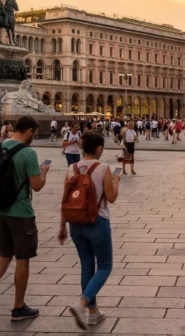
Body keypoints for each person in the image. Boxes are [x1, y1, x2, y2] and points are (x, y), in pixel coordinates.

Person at [0, 116, 50, 323]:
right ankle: (18, 307)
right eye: (34, 133)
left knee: (4, 254)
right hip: (20, 212)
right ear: (29, 131)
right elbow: (36, 185)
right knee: (22, 258)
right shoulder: (27, 153)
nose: (34, 137)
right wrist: (43, 173)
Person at [59, 131, 120, 329]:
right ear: (99, 148)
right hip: (97, 222)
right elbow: (110, 198)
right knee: (104, 266)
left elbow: (65, 199)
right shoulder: (103, 168)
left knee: (87, 266)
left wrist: (62, 226)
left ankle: (93, 312)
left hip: (75, 222)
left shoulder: (72, 168)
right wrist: (115, 184)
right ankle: (82, 303)